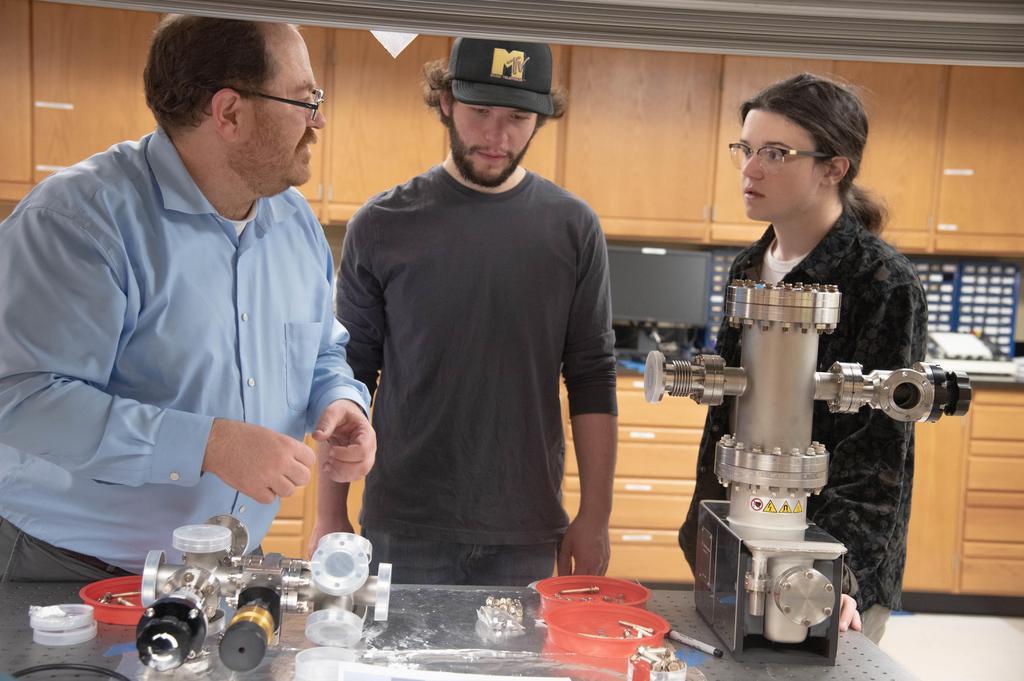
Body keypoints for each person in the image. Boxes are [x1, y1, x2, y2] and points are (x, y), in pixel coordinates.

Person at [0, 16, 375, 581]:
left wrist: (340, 399)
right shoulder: (79, 220)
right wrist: (207, 444)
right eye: (305, 100)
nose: (319, 119)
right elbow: (19, 399)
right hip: (64, 567)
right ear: (229, 113)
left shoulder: (295, 221)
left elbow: (322, 349)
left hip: (213, 572)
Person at [311, 37, 618, 585]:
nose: (497, 137)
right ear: (446, 102)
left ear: (540, 120)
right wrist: (329, 514)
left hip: (526, 527)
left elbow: (593, 376)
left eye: (518, 117)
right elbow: (349, 375)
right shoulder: (381, 224)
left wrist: (596, 515)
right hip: (403, 524)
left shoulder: (573, 228)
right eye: (480, 112)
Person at [680, 73, 926, 644]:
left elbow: (878, 448)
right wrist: (704, 530)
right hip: (734, 532)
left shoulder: (881, 280)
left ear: (833, 168)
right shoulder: (749, 265)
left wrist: (842, 577)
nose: (749, 168)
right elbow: (729, 416)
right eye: (745, 149)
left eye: (775, 153)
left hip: (825, 569)